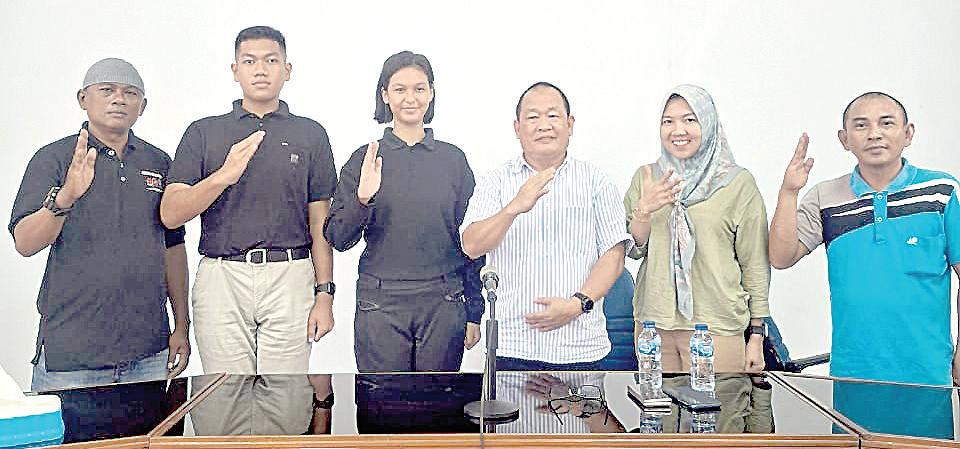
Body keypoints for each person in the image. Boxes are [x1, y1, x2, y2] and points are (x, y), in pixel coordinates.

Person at [768, 92, 959, 438]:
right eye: (861, 125)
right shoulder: (827, 197)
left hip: (927, 375)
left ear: (908, 133)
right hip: (853, 375)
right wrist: (789, 191)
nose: (874, 133)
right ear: (844, 140)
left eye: (886, 123)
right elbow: (781, 257)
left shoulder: (941, 191)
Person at [161, 26, 337, 374]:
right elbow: (170, 214)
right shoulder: (204, 132)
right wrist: (224, 176)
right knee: (224, 400)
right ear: (235, 70)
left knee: (285, 403)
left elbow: (320, 224)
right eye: (250, 61)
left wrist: (325, 294)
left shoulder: (310, 133)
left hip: (290, 275)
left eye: (271, 60)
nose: (261, 69)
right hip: (221, 277)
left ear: (287, 71)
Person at [9, 58, 189, 391]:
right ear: (83, 99)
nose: (119, 99)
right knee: (69, 444)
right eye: (107, 90)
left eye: (130, 93)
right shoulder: (55, 158)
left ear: (143, 106)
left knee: (144, 443)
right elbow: (25, 243)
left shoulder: (159, 162)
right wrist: (65, 197)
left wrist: (182, 325)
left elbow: (173, 247)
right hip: (72, 356)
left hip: (147, 353)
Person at [324, 51, 482, 372]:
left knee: (438, 411)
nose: (410, 97)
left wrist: (473, 312)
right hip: (380, 302)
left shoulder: (453, 161)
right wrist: (363, 199)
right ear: (385, 95)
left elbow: (473, 240)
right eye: (399, 89)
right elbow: (338, 238)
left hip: (443, 299)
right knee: (383, 409)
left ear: (431, 92)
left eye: (419, 88)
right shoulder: (364, 158)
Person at [624, 85, 769, 433]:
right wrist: (645, 209)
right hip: (653, 326)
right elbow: (634, 248)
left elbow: (755, 264)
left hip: (715, 326)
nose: (678, 130)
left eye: (690, 120)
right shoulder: (647, 176)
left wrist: (757, 334)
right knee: (657, 430)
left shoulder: (738, 183)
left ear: (709, 123)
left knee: (717, 432)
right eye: (668, 121)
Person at [460, 82, 630, 371]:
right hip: (513, 347)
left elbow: (613, 257)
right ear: (517, 128)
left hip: (581, 347)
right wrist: (514, 207)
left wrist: (577, 305)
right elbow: (471, 246)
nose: (544, 125)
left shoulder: (596, 182)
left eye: (553, 116)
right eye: (532, 117)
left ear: (570, 124)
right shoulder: (496, 181)